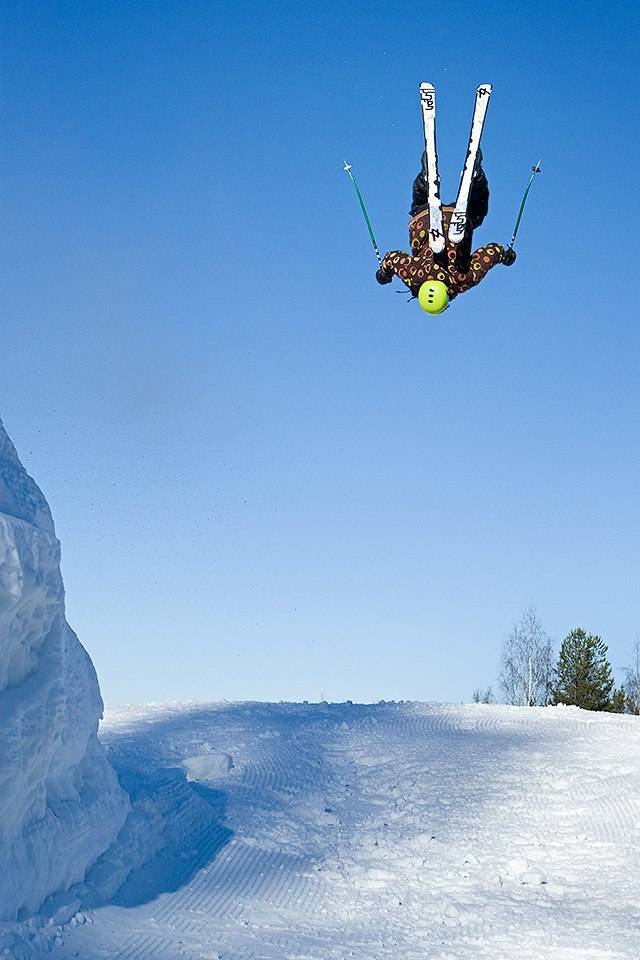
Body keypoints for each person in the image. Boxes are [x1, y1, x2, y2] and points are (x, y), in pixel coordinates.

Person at [375, 149, 516, 313]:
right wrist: (384, 273)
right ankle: (425, 180)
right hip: (425, 218)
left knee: (477, 210)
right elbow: (392, 258)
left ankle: (476, 177)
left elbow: (490, 253)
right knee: (420, 200)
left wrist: (505, 256)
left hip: (458, 218)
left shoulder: (463, 280)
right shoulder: (412, 276)